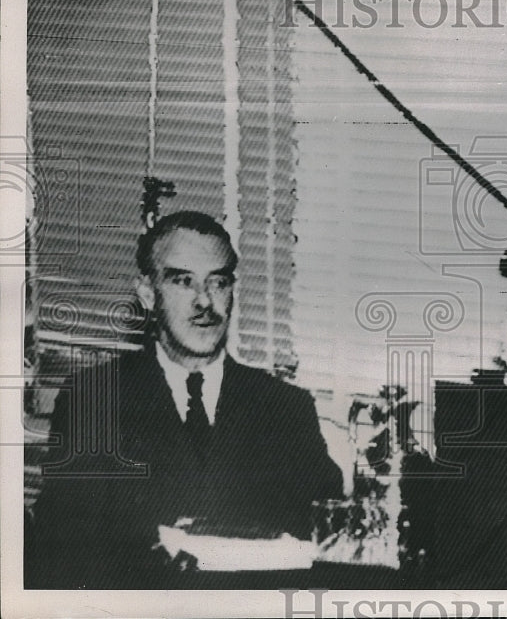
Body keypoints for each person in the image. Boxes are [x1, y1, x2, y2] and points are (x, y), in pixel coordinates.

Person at [29, 211, 343, 588]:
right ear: (148, 294)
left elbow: (329, 543)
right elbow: (63, 553)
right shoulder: (94, 401)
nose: (205, 301)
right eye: (183, 281)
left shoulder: (285, 408)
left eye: (218, 282)